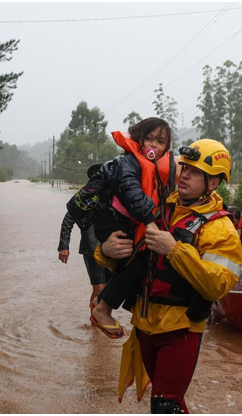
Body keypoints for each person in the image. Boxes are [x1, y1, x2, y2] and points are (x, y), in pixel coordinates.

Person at [95, 139, 242, 414]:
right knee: (168, 403)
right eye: (184, 167)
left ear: (213, 183)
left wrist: (174, 249)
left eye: (194, 172)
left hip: (181, 330)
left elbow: (218, 285)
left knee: (164, 405)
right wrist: (104, 251)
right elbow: (130, 259)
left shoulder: (221, 229)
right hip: (144, 323)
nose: (184, 174)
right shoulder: (157, 206)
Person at [68, 117, 176, 338]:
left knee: (135, 264)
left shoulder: (159, 171)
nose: (154, 145)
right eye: (149, 139)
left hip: (122, 220)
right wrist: (150, 220)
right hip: (111, 220)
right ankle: (102, 309)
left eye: (161, 142)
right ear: (138, 139)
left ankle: (101, 302)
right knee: (139, 262)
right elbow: (132, 194)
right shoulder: (127, 163)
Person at [58, 165, 107, 303]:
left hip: (111, 247)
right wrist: (64, 246)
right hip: (92, 247)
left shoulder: (114, 196)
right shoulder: (84, 198)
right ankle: (95, 321)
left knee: (109, 288)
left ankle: (100, 319)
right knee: (100, 288)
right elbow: (68, 221)